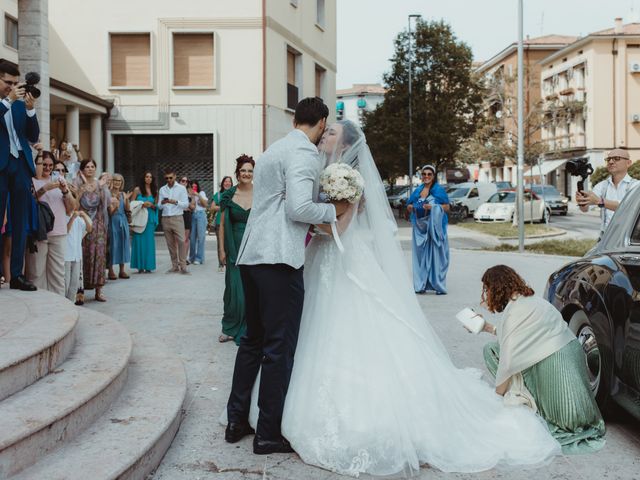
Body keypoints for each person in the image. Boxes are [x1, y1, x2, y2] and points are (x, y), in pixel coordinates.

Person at [236, 120, 561, 476]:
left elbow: (340, 227)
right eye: (324, 131)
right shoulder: (318, 168)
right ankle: (272, 413)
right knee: (300, 329)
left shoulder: (347, 174)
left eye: (331, 133)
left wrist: (311, 222)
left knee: (347, 327)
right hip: (314, 261)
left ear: (345, 143)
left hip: (344, 258)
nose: (325, 135)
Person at [225, 97, 342, 455]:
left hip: (252, 254)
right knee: (279, 347)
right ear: (321, 122)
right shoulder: (305, 154)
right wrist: (336, 209)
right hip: (278, 259)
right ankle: (268, 434)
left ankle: (236, 420)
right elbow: (299, 208)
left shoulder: (274, 148)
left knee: (252, 341)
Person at [480, 265, 606, 453]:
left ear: (496, 289)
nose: (485, 295)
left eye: (486, 289)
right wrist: (487, 327)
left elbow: (507, 362)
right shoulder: (531, 301)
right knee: (498, 349)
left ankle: (531, 399)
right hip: (572, 355)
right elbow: (521, 335)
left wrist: (496, 399)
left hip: (555, 363)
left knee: (492, 351)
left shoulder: (514, 312)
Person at [0, 60, 40, 291]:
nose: (13, 86)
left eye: (16, 83)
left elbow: (32, 135)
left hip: (21, 165)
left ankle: (17, 275)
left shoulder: (17, 104)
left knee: (20, 222)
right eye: (8, 82)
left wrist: (30, 108)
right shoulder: (8, 101)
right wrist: (8, 100)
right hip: (1, 166)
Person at [25, 154, 76, 294]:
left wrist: (65, 190)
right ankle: (38, 304)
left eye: (50, 165)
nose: (47, 168)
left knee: (58, 274)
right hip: (39, 232)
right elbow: (28, 202)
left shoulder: (59, 181)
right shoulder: (31, 181)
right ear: (36, 165)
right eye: (43, 164)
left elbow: (71, 208)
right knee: (36, 272)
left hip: (59, 232)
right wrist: (44, 189)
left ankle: (59, 306)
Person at [218, 156, 254, 344]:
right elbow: (222, 225)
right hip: (234, 245)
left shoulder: (260, 193)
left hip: (255, 246)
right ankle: (230, 327)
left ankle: (252, 327)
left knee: (253, 290)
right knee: (233, 289)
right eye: (243, 171)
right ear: (237, 173)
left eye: (249, 171)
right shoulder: (228, 195)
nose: (246, 174)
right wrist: (221, 250)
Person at [407, 165, 450, 294]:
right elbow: (409, 204)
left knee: (437, 257)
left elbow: (447, 207)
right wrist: (412, 208)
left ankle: (438, 285)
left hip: (434, 229)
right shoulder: (417, 190)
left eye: (429, 174)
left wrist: (433, 207)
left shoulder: (438, 190)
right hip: (420, 227)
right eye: (424, 174)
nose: (426, 176)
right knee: (420, 258)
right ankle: (420, 285)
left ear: (433, 176)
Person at [577, 148, 639, 236]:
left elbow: (628, 208)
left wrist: (600, 201)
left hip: (629, 238)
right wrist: (582, 202)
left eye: (616, 158)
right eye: (608, 159)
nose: (611, 162)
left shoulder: (636, 186)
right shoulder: (601, 186)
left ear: (628, 163)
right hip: (606, 239)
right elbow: (585, 209)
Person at [75, 159, 111, 302]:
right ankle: (79, 290)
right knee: (82, 255)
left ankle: (99, 290)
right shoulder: (77, 182)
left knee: (99, 255)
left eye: (92, 166)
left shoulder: (99, 183)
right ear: (82, 169)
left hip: (97, 223)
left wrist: (102, 187)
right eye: (87, 167)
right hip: (82, 222)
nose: (90, 169)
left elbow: (105, 203)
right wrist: (83, 189)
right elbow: (74, 203)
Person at [158, 169, 189, 274]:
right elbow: (159, 206)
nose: (169, 180)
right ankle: (174, 266)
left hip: (178, 217)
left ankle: (183, 266)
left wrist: (175, 202)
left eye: (171, 177)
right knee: (170, 244)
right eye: (166, 178)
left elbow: (186, 204)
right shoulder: (162, 189)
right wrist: (162, 202)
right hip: (165, 218)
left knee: (181, 241)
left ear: (175, 177)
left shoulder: (181, 188)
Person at [130, 171, 158, 273]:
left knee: (149, 242)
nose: (148, 179)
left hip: (149, 218)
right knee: (138, 241)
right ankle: (140, 266)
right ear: (143, 178)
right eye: (147, 177)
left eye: (150, 177)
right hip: (139, 218)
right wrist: (142, 204)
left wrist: (152, 206)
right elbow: (131, 204)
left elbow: (156, 206)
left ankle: (149, 266)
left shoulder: (155, 191)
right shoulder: (137, 190)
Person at [64, 208, 92, 302]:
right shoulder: (63, 216)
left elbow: (89, 228)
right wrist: (72, 218)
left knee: (74, 282)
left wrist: (84, 215)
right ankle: (64, 302)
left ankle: (71, 302)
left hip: (77, 254)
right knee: (65, 281)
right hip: (66, 255)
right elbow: (65, 231)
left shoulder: (79, 219)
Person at [107, 173, 131, 280]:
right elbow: (110, 213)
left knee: (123, 244)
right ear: (112, 181)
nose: (117, 182)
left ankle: (122, 270)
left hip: (123, 220)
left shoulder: (123, 194)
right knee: (113, 245)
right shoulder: (108, 194)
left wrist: (126, 200)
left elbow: (127, 209)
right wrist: (116, 205)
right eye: (115, 180)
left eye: (119, 181)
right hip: (113, 220)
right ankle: (111, 270)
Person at [211, 176, 233, 272]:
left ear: (231, 184)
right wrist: (225, 207)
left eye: (229, 182)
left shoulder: (234, 193)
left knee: (230, 243)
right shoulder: (218, 195)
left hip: (232, 222)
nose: (227, 183)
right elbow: (212, 207)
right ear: (222, 183)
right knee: (220, 244)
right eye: (225, 181)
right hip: (220, 222)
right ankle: (221, 264)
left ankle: (230, 263)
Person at [188, 179, 208, 265]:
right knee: (192, 238)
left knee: (201, 237)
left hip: (201, 215)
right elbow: (191, 207)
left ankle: (199, 258)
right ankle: (191, 257)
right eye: (192, 186)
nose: (193, 187)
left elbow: (205, 204)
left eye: (195, 185)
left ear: (197, 186)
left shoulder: (202, 193)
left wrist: (198, 195)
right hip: (193, 215)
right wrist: (192, 197)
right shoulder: (189, 195)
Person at [180, 176, 195, 263]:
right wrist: (186, 205)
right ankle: (179, 258)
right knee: (178, 239)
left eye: (186, 181)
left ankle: (184, 259)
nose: (185, 182)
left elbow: (193, 207)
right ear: (179, 182)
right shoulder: (176, 191)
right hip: (178, 215)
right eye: (183, 180)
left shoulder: (190, 192)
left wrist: (186, 205)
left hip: (187, 216)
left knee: (186, 238)